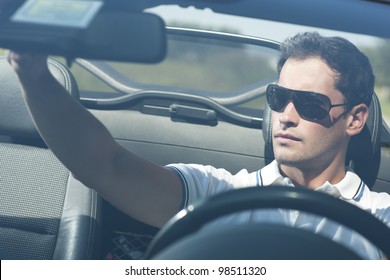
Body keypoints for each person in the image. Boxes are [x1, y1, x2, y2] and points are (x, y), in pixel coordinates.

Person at [7, 32, 390, 259]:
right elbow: (106, 167)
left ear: (355, 120)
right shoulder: (215, 193)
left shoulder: (383, 217)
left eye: (310, 104)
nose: (286, 116)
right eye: (278, 98)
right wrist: (33, 73)